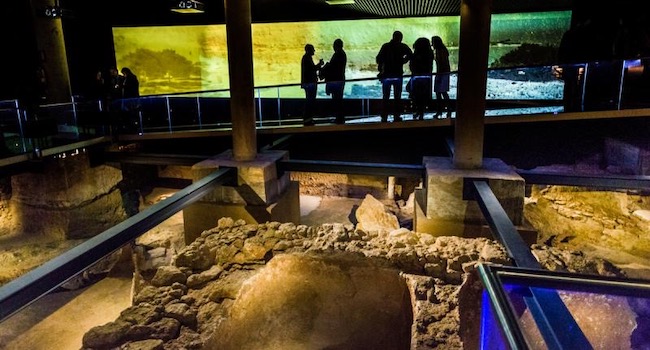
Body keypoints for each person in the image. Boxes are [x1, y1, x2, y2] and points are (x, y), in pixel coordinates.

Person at [376, 31, 413, 122]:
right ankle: (396, 115)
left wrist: (381, 69)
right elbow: (411, 54)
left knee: (386, 96)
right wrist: (403, 61)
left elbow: (378, 58)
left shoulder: (386, 46)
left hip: (387, 75)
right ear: (400, 38)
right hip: (397, 75)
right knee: (397, 96)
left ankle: (384, 115)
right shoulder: (402, 46)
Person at [321, 38, 347, 124]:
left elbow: (333, 67)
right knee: (338, 100)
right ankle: (339, 117)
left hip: (336, 81)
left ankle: (339, 118)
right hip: (339, 80)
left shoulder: (338, 54)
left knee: (337, 100)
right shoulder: (341, 54)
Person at [408, 37, 433, 120]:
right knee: (423, 96)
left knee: (416, 95)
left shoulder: (416, 54)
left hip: (416, 77)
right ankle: (421, 112)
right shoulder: (429, 53)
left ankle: (418, 111)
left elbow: (412, 65)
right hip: (426, 77)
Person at [300, 44, 324, 126]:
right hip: (310, 84)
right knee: (310, 101)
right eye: (313, 49)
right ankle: (308, 119)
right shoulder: (307, 58)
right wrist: (319, 64)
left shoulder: (306, 58)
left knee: (310, 101)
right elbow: (312, 69)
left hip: (309, 83)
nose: (314, 51)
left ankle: (308, 119)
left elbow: (311, 69)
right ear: (309, 50)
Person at [432, 36, 451, 118]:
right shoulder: (442, 50)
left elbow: (441, 63)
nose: (432, 44)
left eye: (432, 42)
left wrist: (439, 75)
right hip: (443, 73)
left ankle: (441, 110)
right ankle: (447, 109)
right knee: (442, 92)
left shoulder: (440, 51)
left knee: (440, 92)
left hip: (441, 73)